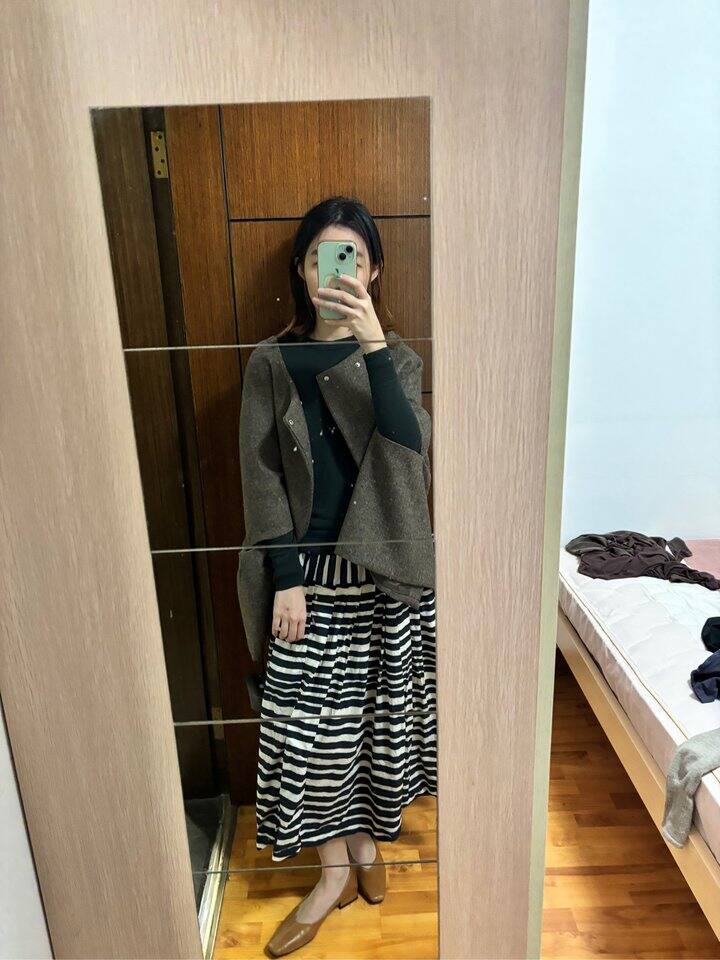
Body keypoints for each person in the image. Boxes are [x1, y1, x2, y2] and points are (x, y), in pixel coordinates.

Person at [237, 196, 437, 957]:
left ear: (374, 269)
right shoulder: (271, 361)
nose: (336, 271)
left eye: (352, 256)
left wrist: (372, 342)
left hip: (382, 576)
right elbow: (260, 477)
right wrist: (285, 575)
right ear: (301, 267)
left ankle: (363, 844)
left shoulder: (398, 358)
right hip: (307, 580)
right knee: (310, 739)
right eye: (323, 256)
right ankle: (330, 875)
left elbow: (408, 447)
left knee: (377, 731)